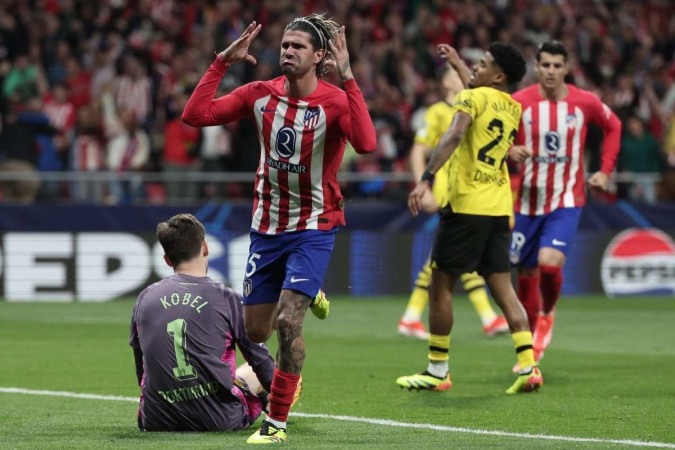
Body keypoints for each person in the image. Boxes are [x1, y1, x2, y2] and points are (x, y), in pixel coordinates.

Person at [182, 15, 376, 444]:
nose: (287, 51)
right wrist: (221, 62)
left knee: (289, 322)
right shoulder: (260, 94)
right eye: (285, 45)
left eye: (298, 47)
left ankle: (276, 422)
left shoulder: (336, 103)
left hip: (314, 224)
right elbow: (195, 115)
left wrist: (348, 78)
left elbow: (366, 144)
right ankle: (309, 290)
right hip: (267, 228)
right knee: (256, 332)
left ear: (318, 56)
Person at [396, 42, 542, 395]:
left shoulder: (470, 100)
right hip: (497, 208)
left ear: (499, 75)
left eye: (484, 63)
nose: (476, 66)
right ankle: (528, 366)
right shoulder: (512, 106)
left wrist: (427, 178)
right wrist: (460, 64)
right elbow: (481, 92)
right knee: (503, 288)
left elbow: (456, 133)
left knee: (441, 284)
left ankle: (437, 370)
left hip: (466, 205)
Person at [509, 41, 621, 370]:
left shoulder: (584, 101)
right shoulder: (519, 102)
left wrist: (605, 170)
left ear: (566, 68)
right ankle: (528, 347)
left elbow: (614, 125)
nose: (551, 71)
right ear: (536, 66)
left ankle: (547, 314)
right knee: (526, 272)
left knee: (548, 262)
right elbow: (497, 137)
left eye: (558, 65)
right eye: (545, 65)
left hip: (566, 199)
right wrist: (509, 152)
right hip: (527, 203)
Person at [129, 214, 281, 432]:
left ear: (167, 260)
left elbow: (141, 371)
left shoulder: (144, 298)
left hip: (156, 420)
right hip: (218, 419)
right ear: (206, 247)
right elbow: (263, 366)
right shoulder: (227, 297)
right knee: (273, 374)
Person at [399, 46, 508, 340]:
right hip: (448, 191)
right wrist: (423, 187)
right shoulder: (436, 113)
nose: (467, 75)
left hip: (470, 191)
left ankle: (412, 317)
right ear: (447, 82)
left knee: (450, 259)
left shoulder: (476, 106)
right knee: (456, 259)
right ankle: (487, 318)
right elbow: (418, 151)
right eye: (456, 73)